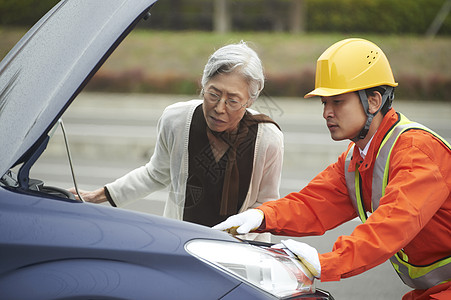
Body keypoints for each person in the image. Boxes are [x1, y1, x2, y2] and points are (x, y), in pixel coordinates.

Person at [213, 38, 451, 299]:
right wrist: (261, 217)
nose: (327, 112)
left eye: (337, 101)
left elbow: (390, 226)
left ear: (373, 101)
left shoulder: (418, 153)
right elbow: (312, 204)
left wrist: (324, 263)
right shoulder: (357, 158)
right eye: (324, 102)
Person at [70, 41, 283, 241]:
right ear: (203, 83)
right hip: (182, 242)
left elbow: (266, 203)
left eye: (233, 101)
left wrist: (229, 243)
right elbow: (156, 173)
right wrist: (96, 196)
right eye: (213, 94)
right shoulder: (176, 120)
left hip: (243, 251)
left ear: (250, 100)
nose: (219, 108)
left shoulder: (268, 139)